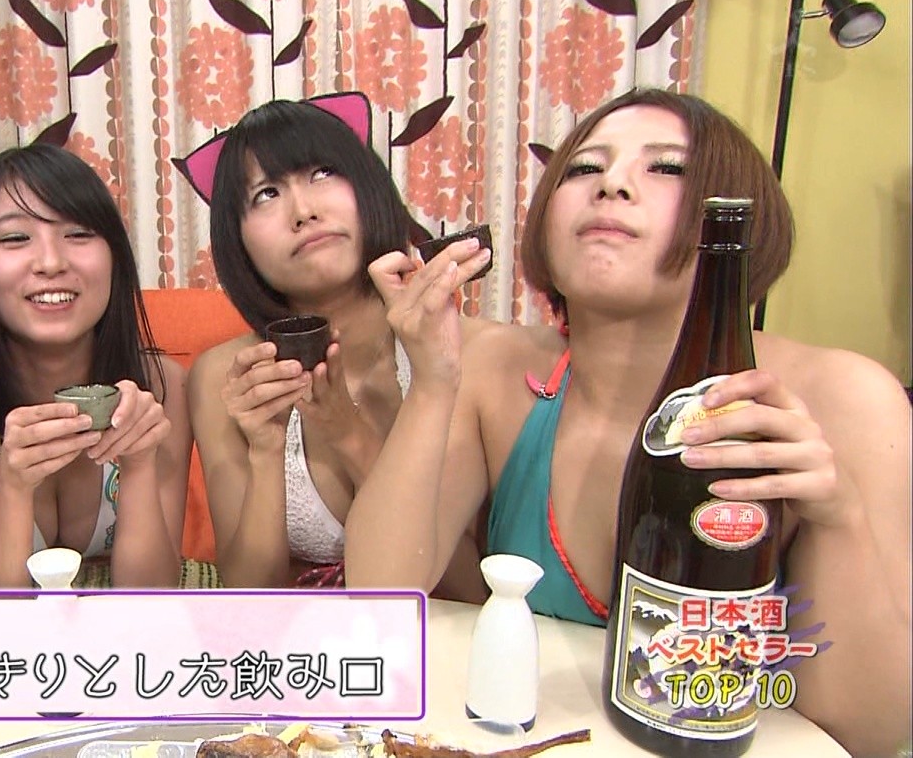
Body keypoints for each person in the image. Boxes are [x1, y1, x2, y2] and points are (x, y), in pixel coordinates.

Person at [343, 88, 912, 756]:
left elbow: (873, 732)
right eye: (585, 168)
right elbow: (379, 595)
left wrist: (839, 517)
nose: (611, 184)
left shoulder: (842, 399)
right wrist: (433, 379)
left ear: (734, 222)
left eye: (666, 167)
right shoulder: (492, 366)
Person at [178, 92, 490, 589]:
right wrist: (266, 450)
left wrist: (351, 436)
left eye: (322, 173)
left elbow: (465, 592)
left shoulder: (460, 354)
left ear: (368, 186)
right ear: (237, 240)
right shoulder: (223, 376)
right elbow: (248, 594)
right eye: (265, 194)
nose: (303, 211)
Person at [0, 143, 195, 589]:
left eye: (79, 234)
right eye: (15, 238)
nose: (51, 263)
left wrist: (140, 464)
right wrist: (12, 486)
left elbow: (150, 594)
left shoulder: (162, 388)